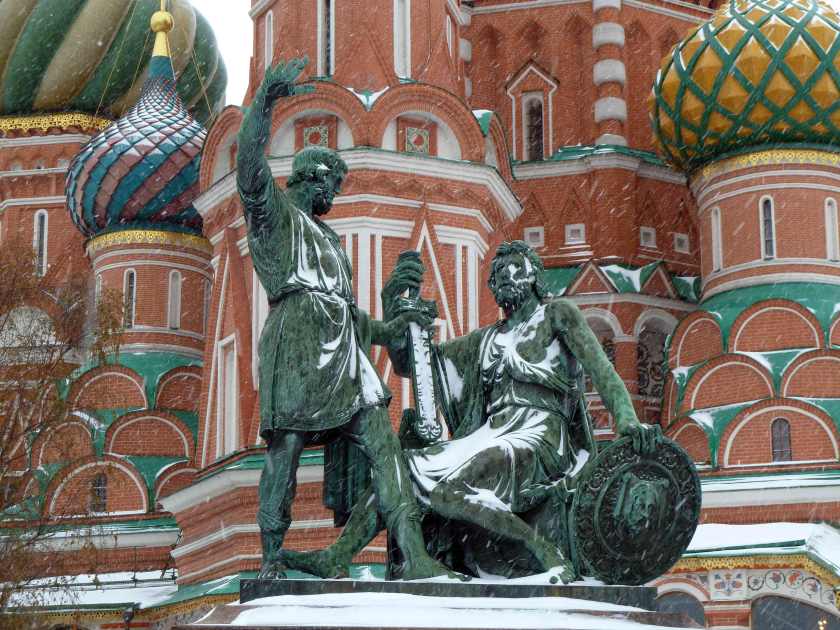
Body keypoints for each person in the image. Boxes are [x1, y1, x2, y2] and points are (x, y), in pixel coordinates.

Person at [281, 240, 661, 582]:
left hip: (541, 433)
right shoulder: (485, 340)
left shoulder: (557, 315)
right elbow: (417, 363)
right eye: (496, 273)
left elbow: (602, 371)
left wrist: (627, 420)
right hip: (493, 431)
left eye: (512, 267)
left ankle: (544, 550)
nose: (502, 277)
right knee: (403, 466)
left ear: (532, 275)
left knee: (452, 490)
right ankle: (338, 555)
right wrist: (398, 307)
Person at [237, 57, 449, 580]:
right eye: (334, 182)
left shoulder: (331, 240)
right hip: (297, 348)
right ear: (316, 178)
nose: (336, 193)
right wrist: (264, 101)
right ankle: (270, 559)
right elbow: (248, 165)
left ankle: (413, 553)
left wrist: (388, 330)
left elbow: (351, 316)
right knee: (284, 451)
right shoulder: (274, 215)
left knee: (383, 444)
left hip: (344, 356)